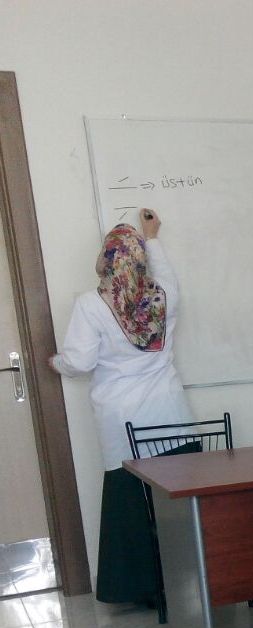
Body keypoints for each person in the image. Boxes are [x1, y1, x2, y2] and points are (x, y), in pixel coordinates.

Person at [49, 210, 194, 605]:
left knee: (131, 505)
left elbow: (79, 361)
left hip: (122, 421)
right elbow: (165, 271)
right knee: (177, 505)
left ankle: (143, 591)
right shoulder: (163, 296)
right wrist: (152, 236)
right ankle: (186, 582)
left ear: (108, 258)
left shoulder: (91, 304)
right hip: (170, 416)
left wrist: (55, 363)